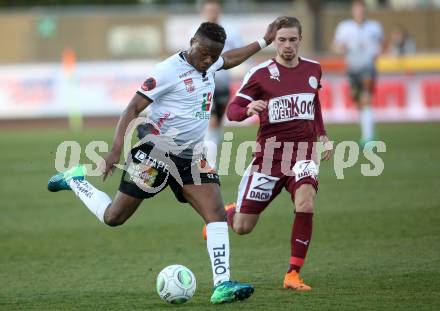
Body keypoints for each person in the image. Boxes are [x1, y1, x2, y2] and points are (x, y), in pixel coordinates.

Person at [47, 19, 284, 304]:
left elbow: (229, 59)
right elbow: (133, 107)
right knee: (114, 217)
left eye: (213, 56)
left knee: (216, 214)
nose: (208, 60)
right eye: (204, 53)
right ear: (192, 44)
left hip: (191, 155)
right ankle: (75, 180)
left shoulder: (209, 63)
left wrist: (264, 41)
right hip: (155, 153)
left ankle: (222, 284)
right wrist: (115, 149)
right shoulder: (167, 71)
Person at [206, 16, 333, 291]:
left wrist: (322, 135)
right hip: (269, 159)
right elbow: (232, 110)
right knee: (242, 227)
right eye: (282, 40)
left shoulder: (313, 69)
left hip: (303, 153)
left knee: (306, 201)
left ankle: (293, 274)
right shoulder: (260, 73)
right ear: (275, 41)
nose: (287, 45)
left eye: (292, 40)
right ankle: (226, 214)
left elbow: (315, 104)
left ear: (300, 39)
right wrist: (248, 110)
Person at [198, 0, 244, 168]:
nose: (212, 13)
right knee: (211, 120)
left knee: (218, 123)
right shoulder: (196, 31)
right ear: (203, 12)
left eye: (214, 10)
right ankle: (210, 165)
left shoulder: (230, 30)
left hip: (223, 82)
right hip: (203, 83)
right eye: (209, 10)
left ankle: (208, 153)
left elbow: (240, 52)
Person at [332, 0, 384, 146]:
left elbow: (381, 45)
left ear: (365, 10)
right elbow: (336, 45)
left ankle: (367, 138)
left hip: (368, 68)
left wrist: (377, 52)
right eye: (357, 9)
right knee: (359, 102)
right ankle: (368, 131)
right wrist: (341, 49)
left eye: (362, 9)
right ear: (353, 11)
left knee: (366, 99)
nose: (359, 12)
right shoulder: (344, 27)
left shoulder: (374, 27)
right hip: (352, 69)